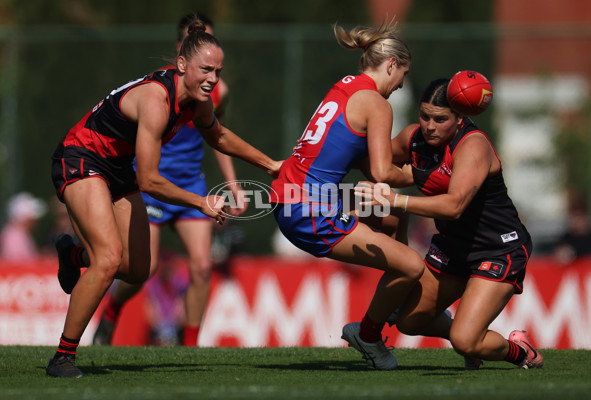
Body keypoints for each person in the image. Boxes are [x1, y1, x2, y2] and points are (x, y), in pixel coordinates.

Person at [47, 20, 279, 378]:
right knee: (108, 260)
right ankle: (63, 356)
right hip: (81, 157)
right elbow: (150, 180)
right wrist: (200, 202)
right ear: (182, 64)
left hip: (116, 168)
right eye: (205, 69)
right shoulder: (157, 100)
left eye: (218, 71)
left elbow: (217, 136)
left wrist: (269, 165)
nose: (212, 79)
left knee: (138, 270)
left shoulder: (199, 100)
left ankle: (73, 253)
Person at [354, 77, 544, 370]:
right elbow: (370, 158)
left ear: (459, 118)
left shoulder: (473, 145)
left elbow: (454, 206)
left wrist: (396, 200)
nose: (429, 126)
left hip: (497, 249)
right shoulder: (414, 138)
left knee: (465, 341)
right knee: (409, 321)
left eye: (440, 119)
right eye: (424, 116)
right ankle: (470, 334)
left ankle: (519, 350)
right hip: (453, 248)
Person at [270, 22, 424, 370]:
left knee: (395, 217)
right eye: (403, 73)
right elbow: (384, 174)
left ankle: (395, 298)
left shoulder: (344, 87)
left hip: (291, 196)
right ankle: (368, 335)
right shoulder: (378, 104)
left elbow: (356, 158)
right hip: (310, 210)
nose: (401, 83)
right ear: (390, 65)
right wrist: (428, 176)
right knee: (413, 264)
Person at [92, 12, 246, 348]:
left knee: (203, 267)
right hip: (153, 185)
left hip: (191, 183)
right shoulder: (159, 90)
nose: (211, 67)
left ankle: (190, 347)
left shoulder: (218, 92)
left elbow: (217, 137)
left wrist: (232, 183)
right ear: (182, 50)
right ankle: (112, 312)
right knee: (142, 270)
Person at [0, 192, 47, 260]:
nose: (36, 221)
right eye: (32, 218)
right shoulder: (14, 236)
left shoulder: (20, 233)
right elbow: (19, 264)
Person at [552, 199, 591, 263]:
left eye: (579, 217)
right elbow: (557, 251)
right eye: (573, 217)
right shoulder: (567, 237)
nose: (575, 221)